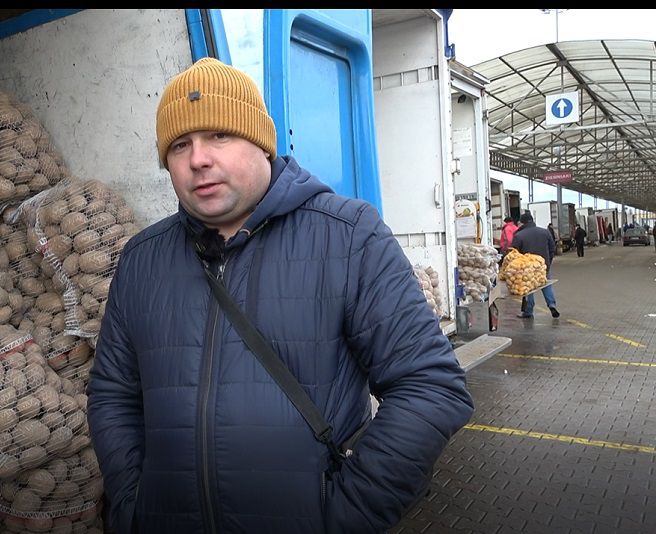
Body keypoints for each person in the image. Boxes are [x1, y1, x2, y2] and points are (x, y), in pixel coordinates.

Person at [86, 57, 474, 534]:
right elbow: (112, 395)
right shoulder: (142, 259)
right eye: (180, 145)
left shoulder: (349, 236)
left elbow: (430, 386)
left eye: (219, 136)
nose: (198, 159)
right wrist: (133, 505)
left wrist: (348, 515)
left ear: (261, 142)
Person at [512, 212, 559, 319]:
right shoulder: (545, 232)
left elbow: (513, 253)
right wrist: (548, 262)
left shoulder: (519, 235)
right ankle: (552, 305)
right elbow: (552, 248)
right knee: (546, 285)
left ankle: (528, 311)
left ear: (522, 223)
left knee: (528, 289)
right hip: (543, 266)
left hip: (526, 268)